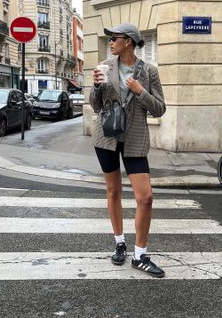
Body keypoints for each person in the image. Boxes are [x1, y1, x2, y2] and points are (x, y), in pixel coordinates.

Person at [89, 23, 166, 278]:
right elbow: (96, 105)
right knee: (113, 191)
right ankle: (119, 242)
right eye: (109, 38)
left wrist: (140, 91)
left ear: (129, 41)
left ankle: (140, 255)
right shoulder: (105, 66)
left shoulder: (149, 71)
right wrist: (96, 86)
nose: (110, 42)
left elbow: (159, 109)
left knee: (145, 197)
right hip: (107, 137)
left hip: (134, 139)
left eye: (115, 38)